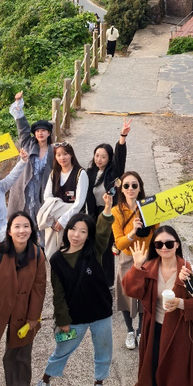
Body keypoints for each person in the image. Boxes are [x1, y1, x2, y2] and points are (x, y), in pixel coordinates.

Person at [28, 194, 115, 386]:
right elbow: (58, 294)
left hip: (101, 313)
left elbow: (103, 231)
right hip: (74, 317)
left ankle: (98, 384)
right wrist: (63, 320)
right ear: (67, 231)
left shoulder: (94, 250)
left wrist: (107, 209)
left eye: (83, 231)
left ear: (88, 235)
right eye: (73, 229)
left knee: (103, 350)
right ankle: (45, 381)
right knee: (61, 350)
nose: (76, 235)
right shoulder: (57, 259)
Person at [122, 225, 193, 386]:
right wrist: (136, 267)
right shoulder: (149, 267)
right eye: (159, 244)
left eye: (169, 243)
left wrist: (180, 303)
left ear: (177, 244)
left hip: (179, 330)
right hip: (153, 327)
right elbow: (130, 290)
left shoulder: (189, 270)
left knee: (176, 368)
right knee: (154, 365)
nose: (164, 247)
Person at [0, 211, 47, 386]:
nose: (22, 230)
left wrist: (33, 317)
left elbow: (39, 288)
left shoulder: (37, 254)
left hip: (23, 310)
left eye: (26, 226)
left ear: (31, 230)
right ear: (9, 231)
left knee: (20, 351)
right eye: (17, 226)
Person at [112, 171, 157, 349]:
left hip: (146, 258)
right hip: (127, 258)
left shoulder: (148, 208)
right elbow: (119, 243)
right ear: (121, 189)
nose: (130, 188)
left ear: (140, 188)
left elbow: (157, 230)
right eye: (126, 185)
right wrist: (132, 232)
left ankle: (140, 330)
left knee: (145, 295)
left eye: (134, 185)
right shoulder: (116, 211)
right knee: (126, 295)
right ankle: (130, 330)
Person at [85, 119, 131, 286]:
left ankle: (108, 281)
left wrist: (122, 136)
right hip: (95, 213)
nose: (99, 159)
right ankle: (95, 277)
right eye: (97, 155)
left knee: (107, 248)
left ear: (109, 158)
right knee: (94, 246)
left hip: (111, 214)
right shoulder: (90, 172)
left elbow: (120, 157)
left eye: (103, 157)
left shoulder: (114, 173)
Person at [7, 91, 54, 237]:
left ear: (49, 133)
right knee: (22, 218)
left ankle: (40, 247)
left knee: (41, 220)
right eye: (38, 131)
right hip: (24, 187)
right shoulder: (27, 143)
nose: (40, 133)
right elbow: (22, 127)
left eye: (43, 131)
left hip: (42, 189)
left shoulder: (53, 151)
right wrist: (18, 103)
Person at [37, 141, 88, 260]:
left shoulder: (80, 173)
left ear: (71, 154)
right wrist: (59, 209)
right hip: (54, 218)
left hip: (74, 217)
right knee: (51, 254)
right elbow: (47, 196)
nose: (62, 158)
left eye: (65, 154)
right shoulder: (54, 174)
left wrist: (63, 219)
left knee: (69, 252)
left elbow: (79, 203)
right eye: (58, 155)